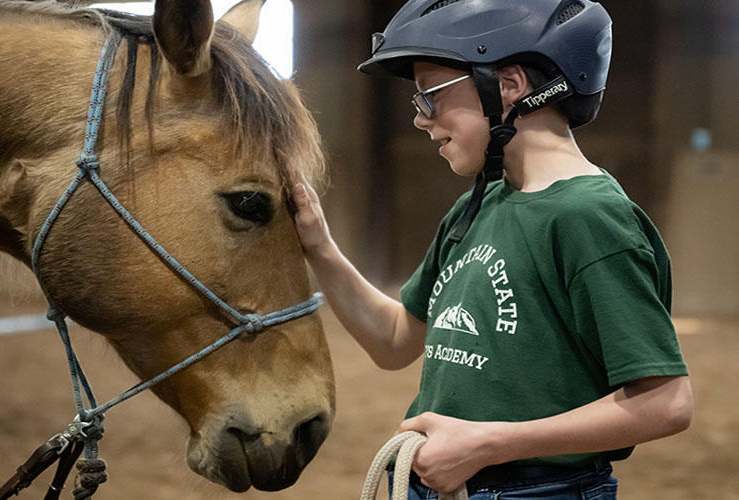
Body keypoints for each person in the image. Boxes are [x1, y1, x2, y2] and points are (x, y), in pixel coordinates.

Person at [293, 0, 693, 498]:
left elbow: (667, 403)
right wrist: (319, 246)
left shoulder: (588, 218)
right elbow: (395, 341)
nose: (421, 119)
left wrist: (489, 443)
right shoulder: (477, 207)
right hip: (446, 481)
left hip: (537, 489)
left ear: (508, 86)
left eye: (430, 97)